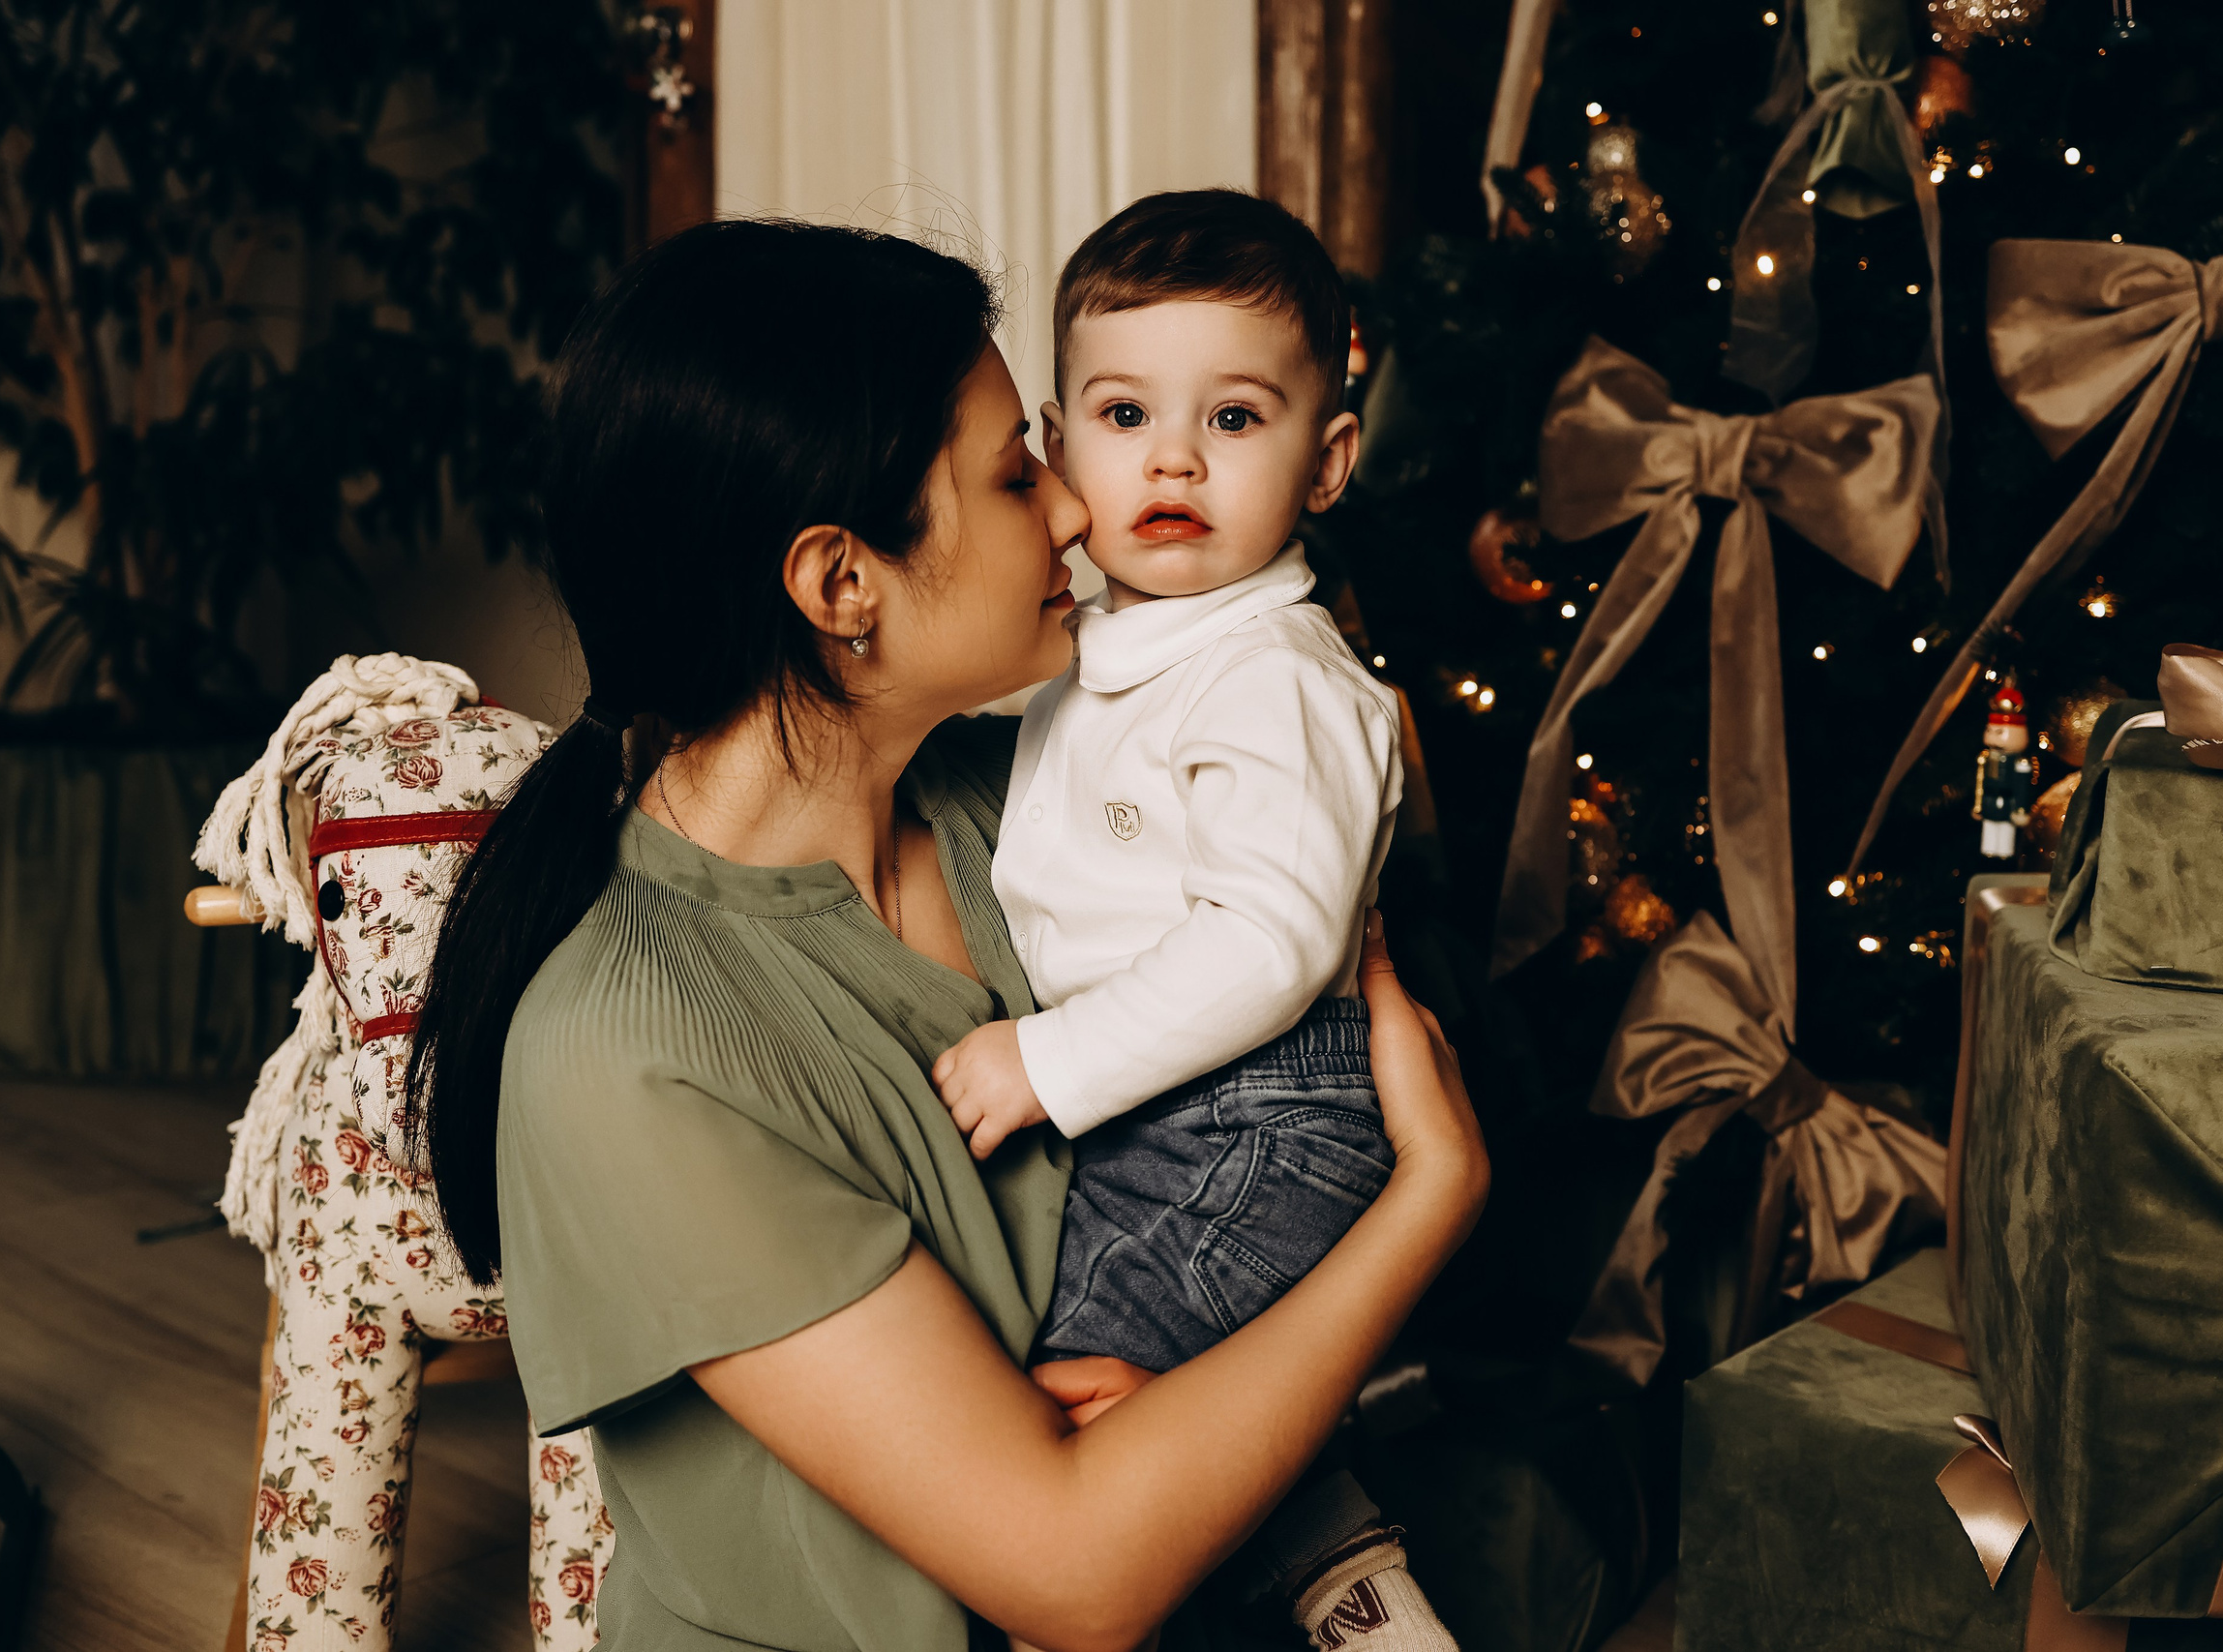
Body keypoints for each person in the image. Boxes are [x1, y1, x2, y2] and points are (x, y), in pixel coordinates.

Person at [406, 217, 1488, 1652]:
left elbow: (1275, 1101)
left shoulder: (1032, 805)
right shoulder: (627, 1052)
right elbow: (1079, 1568)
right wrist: (1434, 1196)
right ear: (841, 585)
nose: (1070, 510)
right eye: (1015, 469)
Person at [929, 191, 1445, 1651]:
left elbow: (1270, 944)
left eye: (1233, 419)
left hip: (1251, 1113)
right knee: (1164, 1390)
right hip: (1172, 1107)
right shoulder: (1095, 652)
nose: (1170, 457)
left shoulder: (1277, 674)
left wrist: (1050, 1062)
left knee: (1047, 1404)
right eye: (1121, 412)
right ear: (1052, 447)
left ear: (1328, 459)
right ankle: (1349, 1577)